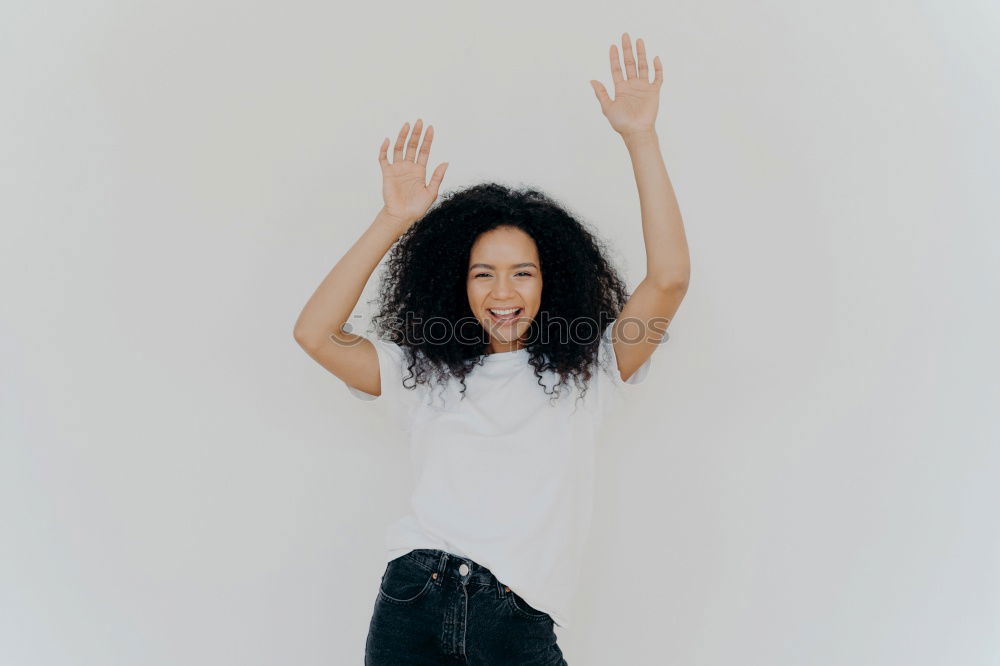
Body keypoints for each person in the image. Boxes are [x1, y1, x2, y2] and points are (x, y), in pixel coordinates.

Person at [293, 32, 689, 666]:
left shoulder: (595, 365)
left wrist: (640, 137)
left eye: (522, 273)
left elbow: (668, 280)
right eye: (483, 273)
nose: (502, 292)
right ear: (457, 282)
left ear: (551, 279)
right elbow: (315, 333)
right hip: (413, 595)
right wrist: (392, 219)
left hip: (515, 610)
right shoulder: (421, 371)